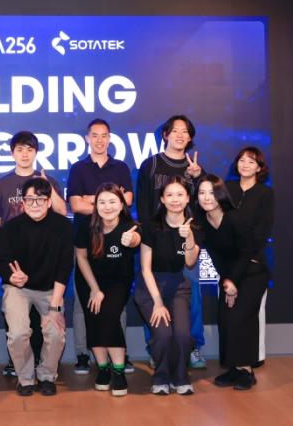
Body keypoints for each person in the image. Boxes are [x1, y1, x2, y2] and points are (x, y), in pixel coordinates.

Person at [0, 131, 67, 377]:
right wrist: (9, 267)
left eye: (29, 149)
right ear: (12, 153)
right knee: (18, 328)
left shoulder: (48, 181)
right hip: (16, 263)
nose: (24, 154)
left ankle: (45, 371)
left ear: (36, 152)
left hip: (46, 263)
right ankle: (21, 370)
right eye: (20, 149)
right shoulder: (2, 184)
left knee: (49, 327)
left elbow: (62, 212)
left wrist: (48, 186)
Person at [136, 114, 207, 369]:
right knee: (152, 295)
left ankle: (193, 347)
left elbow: (206, 202)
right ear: (165, 134)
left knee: (192, 294)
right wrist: (149, 236)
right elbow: (143, 205)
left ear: (190, 138)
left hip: (188, 239)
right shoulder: (151, 164)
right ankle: (157, 348)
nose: (180, 135)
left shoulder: (195, 169)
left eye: (185, 131)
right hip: (156, 242)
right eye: (175, 130)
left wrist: (198, 177)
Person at [67, 119, 134, 374]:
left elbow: (127, 201)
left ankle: (120, 354)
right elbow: (75, 205)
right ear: (87, 138)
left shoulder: (121, 167)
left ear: (109, 138)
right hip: (86, 239)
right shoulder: (78, 168)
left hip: (117, 239)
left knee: (116, 302)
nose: (99, 140)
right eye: (94, 135)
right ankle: (83, 354)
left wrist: (91, 199)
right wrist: (109, 200)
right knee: (84, 300)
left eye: (104, 135)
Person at [0, 177, 73, 396]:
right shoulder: (11, 227)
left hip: (51, 289)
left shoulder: (63, 227)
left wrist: (55, 307)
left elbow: (64, 267)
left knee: (55, 332)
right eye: (30, 199)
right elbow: (2, 261)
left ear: (49, 202)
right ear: (22, 202)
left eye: (40, 199)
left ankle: (47, 375)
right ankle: (25, 377)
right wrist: (13, 277)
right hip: (18, 289)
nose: (35, 204)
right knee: (18, 333)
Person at [196, 174, 268, 390]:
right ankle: (234, 368)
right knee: (225, 318)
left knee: (239, 318)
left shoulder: (235, 217)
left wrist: (233, 281)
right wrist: (226, 282)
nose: (206, 197)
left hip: (251, 272)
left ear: (220, 194)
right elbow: (215, 255)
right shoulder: (203, 221)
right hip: (229, 275)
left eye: (211, 192)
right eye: (201, 193)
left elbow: (247, 253)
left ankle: (246, 370)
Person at [134, 176, 201, 395]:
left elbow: (190, 262)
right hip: (150, 287)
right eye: (169, 195)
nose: (175, 199)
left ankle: (181, 376)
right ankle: (161, 376)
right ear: (162, 199)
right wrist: (158, 302)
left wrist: (189, 237)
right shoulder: (151, 227)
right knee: (163, 334)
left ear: (188, 198)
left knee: (182, 335)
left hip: (178, 286)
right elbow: (145, 268)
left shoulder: (194, 226)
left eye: (180, 194)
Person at [75, 183, 140, 396]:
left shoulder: (130, 226)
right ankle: (103, 369)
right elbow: (81, 257)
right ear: (96, 206)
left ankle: (118, 371)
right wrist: (94, 289)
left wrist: (131, 240)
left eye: (113, 201)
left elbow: (135, 240)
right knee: (93, 318)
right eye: (102, 202)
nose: (107, 206)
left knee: (110, 316)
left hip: (118, 282)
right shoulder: (86, 225)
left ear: (121, 204)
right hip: (89, 280)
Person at [225, 147, 274, 368]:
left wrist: (245, 258)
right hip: (229, 264)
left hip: (253, 264)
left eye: (251, 162)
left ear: (259, 168)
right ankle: (233, 363)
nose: (245, 165)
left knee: (250, 314)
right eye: (242, 160)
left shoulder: (265, 194)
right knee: (229, 315)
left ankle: (253, 360)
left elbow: (262, 231)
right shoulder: (227, 189)